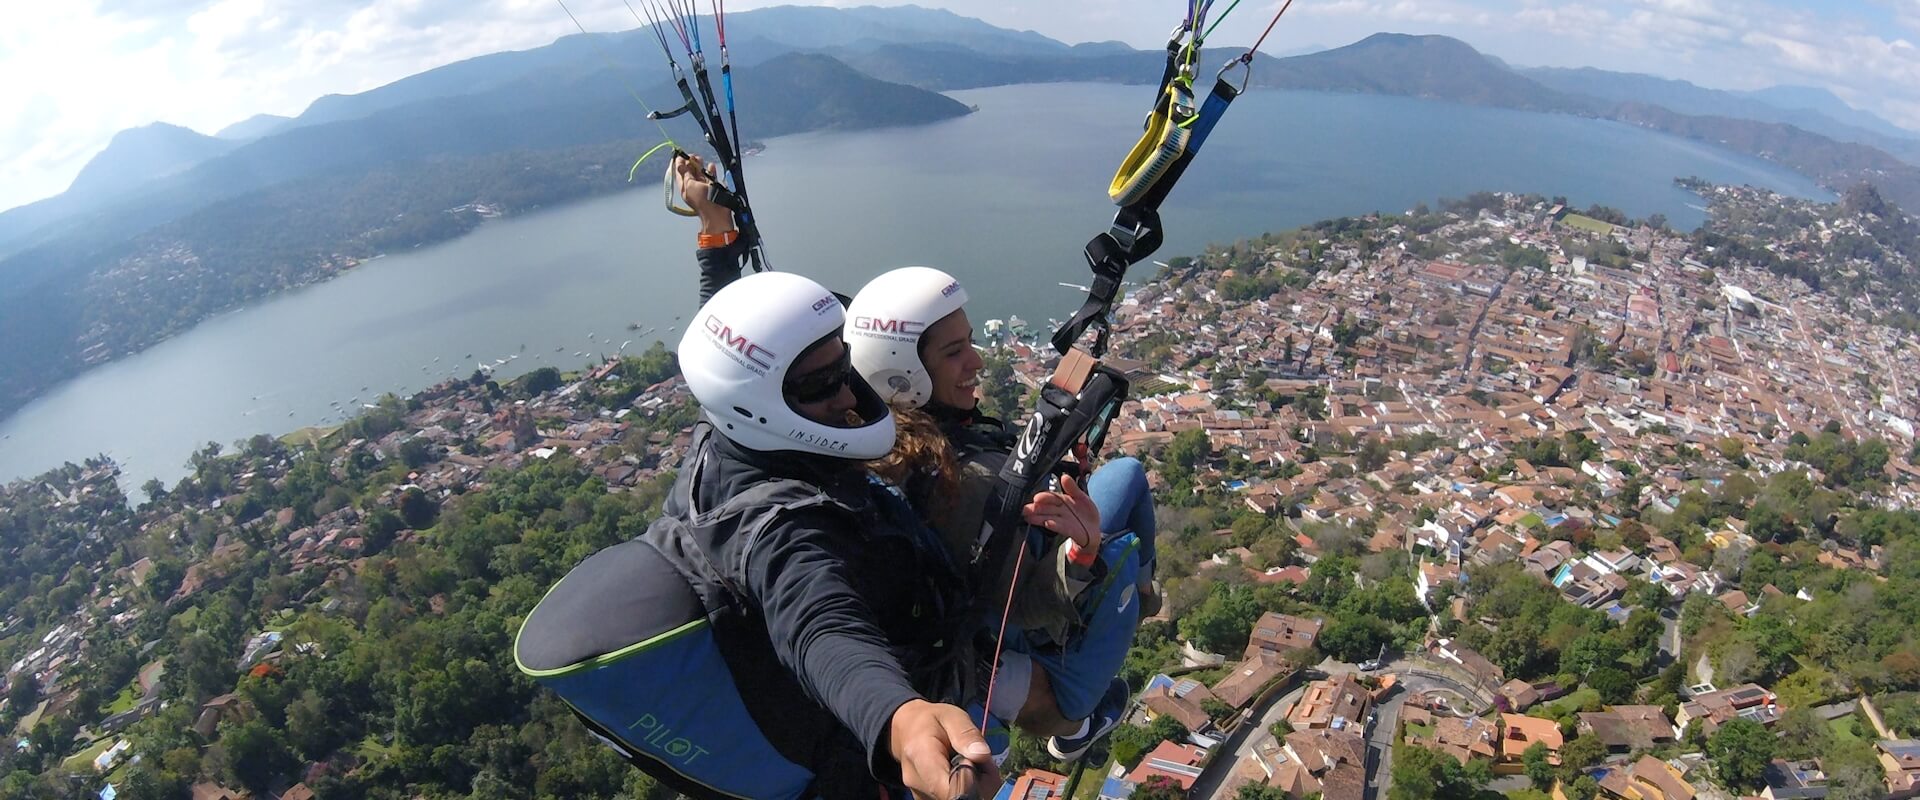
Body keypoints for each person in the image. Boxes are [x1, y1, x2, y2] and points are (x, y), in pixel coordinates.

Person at [846, 265, 1162, 762]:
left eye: (969, 342)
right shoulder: (966, 482)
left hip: (973, 620)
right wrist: (1083, 553)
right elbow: (1025, 603)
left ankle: (1140, 604)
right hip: (1019, 639)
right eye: (954, 353)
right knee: (1127, 505)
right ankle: (1133, 617)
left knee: (1123, 477)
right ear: (900, 373)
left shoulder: (863, 438)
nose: (976, 360)